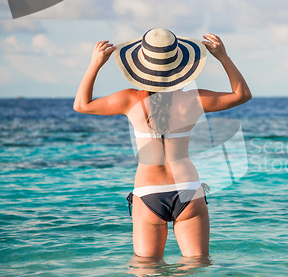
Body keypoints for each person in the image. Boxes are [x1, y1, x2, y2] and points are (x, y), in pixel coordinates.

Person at [73, 29, 252, 258]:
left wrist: (95, 64)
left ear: (141, 67)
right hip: (188, 191)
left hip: (149, 193)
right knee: (195, 273)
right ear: (180, 68)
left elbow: (81, 104)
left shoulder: (130, 99)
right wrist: (223, 57)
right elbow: (242, 94)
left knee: (147, 276)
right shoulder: (193, 99)